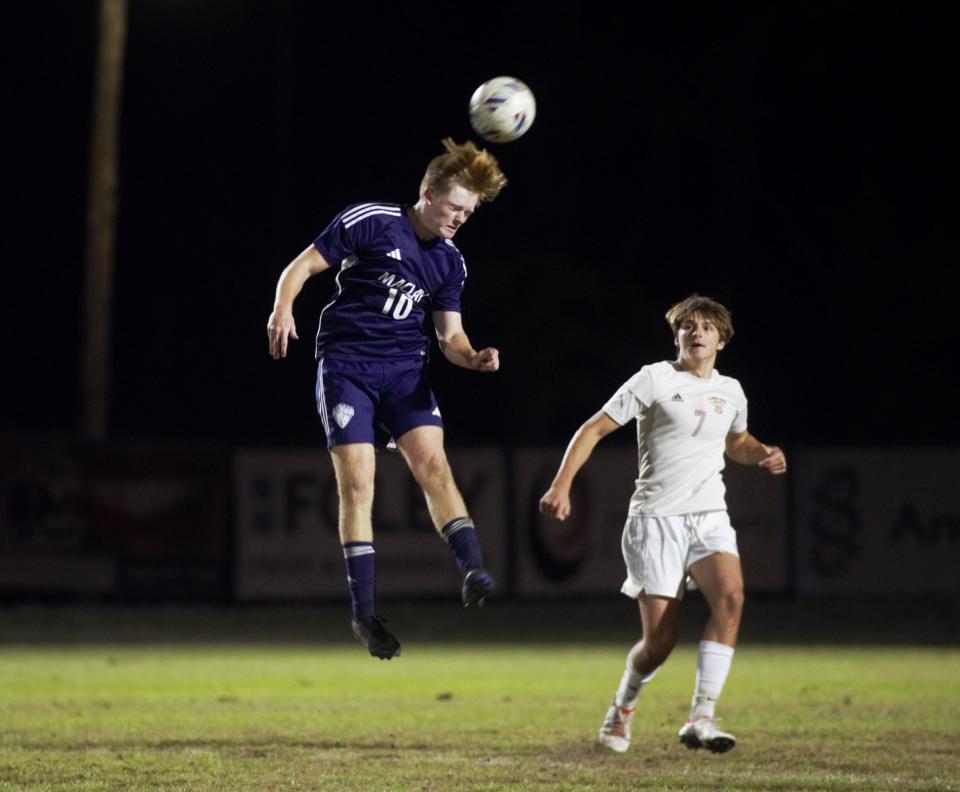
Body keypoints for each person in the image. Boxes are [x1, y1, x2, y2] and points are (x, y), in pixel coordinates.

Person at [266, 139, 506, 660]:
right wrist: (283, 309)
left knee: (433, 466)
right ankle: (364, 613)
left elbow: (450, 339)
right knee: (358, 483)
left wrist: (475, 358)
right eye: (455, 207)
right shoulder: (372, 220)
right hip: (347, 367)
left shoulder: (450, 263)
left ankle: (473, 570)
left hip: (405, 373)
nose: (461, 219)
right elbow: (301, 266)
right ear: (427, 193)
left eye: (469, 212)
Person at [539, 294, 787, 753]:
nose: (697, 333)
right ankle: (621, 710)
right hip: (655, 519)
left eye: (707, 327)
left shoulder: (731, 390)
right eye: (688, 326)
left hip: (709, 513)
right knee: (661, 641)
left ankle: (702, 717)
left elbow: (738, 442)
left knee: (731, 597)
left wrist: (763, 453)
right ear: (676, 336)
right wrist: (561, 486)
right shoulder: (653, 379)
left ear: (722, 340)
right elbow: (592, 428)